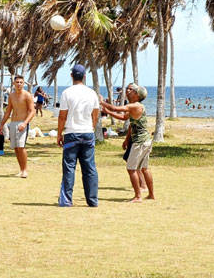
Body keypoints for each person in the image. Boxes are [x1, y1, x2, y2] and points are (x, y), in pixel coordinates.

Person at [100, 83, 154, 203]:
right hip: (145, 141)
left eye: (131, 90)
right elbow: (124, 117)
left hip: (139, 142)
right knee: (144, 168)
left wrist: (103, 102)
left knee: (131, 169)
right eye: (127, 89)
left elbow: (116, 108)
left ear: (137, 95)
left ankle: (138, 196)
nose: (128, 91)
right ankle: (151, 194)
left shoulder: (135, 106)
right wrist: (107, 111)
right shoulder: (137, 107)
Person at [56, 64, 99, 207]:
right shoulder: (91, 93)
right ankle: (92, 200)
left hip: (71, 133)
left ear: (71, 76)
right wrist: (91, 127)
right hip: (87, 133)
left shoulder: (67, 93)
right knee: (89, 168)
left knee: (69, 167)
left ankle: (66, 200)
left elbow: (62, 116)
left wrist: (59, 133)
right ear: (84, 76)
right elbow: (95, 115)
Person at [0, 75, 35, 178]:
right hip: (13, 123)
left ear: (23, 84)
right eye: (17, 82)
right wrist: (2, 124)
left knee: (21, 146)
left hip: (23, 123)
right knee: (16, 147)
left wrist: (25, 123)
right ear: (14, 84)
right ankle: (21, 169)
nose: (19, 84)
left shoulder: (27, 95)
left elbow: (32, 111)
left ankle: (25, 170)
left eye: (21, 82)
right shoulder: (11, 96)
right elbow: (8, 111)